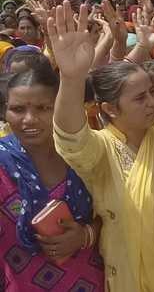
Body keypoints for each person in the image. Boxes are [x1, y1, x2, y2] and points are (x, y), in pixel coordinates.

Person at [49, 1, 154, 292]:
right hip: (130, 280)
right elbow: (69, 137)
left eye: (151, 92)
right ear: (110, 109)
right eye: (140, 98)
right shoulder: (101, 149)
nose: (152, 102)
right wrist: (72, 78)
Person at [0, 67, 104, 291]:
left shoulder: (86, 154)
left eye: (43, 108)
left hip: (88, 280)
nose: (29, 120)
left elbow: (119, 213)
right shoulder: (2, 162)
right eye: (17, 109)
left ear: (59, 107)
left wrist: (85, 235)